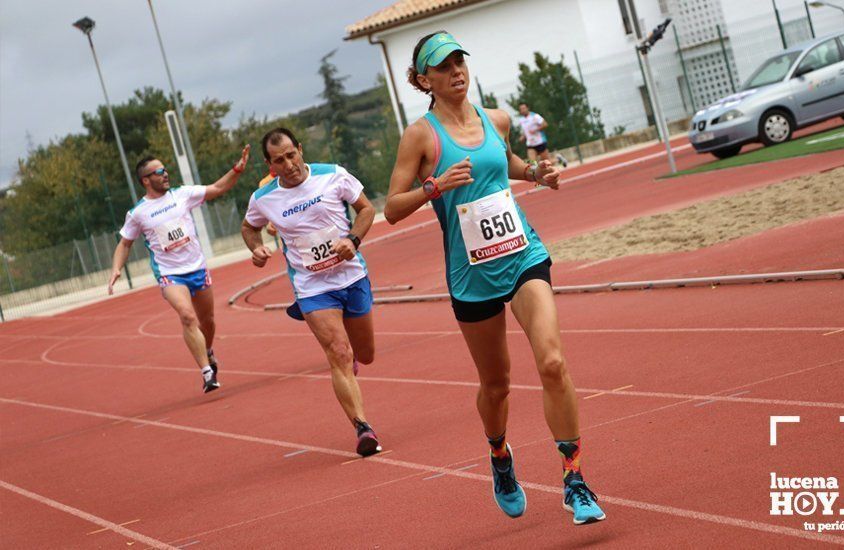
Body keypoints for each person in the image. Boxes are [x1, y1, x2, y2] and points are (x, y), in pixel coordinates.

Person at [384, 32, 605, 525]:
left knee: (551, 362)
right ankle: (500, 454)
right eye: (443, 67)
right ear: (425, 80)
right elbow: (391, 208)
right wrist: (434, 186)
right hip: (471, 275)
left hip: (522, 253)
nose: (457, 71)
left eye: (460, 61)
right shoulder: (420, 136)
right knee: (497, 385)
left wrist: (536, 174)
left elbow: (504, 164)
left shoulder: (495, 118)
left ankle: (575, 479)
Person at [240, 127, 382, 457]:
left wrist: (353, 240)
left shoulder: (333, 175)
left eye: (291, 155)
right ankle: (363, 427)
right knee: (339, 353)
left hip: (351, 275)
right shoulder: (264, 198)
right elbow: (249, 227)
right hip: (312, 287)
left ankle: (351, 364)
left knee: (365, 353)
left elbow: (366, 210)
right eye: (279, 160)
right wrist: (257, 249)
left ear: (300, 149)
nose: (288, 164)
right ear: (269, 164)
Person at [108, 145, 250, 393]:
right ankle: (207, 372)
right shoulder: (138, 213)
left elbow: (217, 188)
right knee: (187, 315)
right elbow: (124, 243)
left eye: (165, 169)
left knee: (208, 321)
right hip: (170, 274)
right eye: (159, 171)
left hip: (197, 267)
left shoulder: (183, 194)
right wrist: (116, 269)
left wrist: (237, 169)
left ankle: (207, 350)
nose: (165, 174)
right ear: (146, 180)